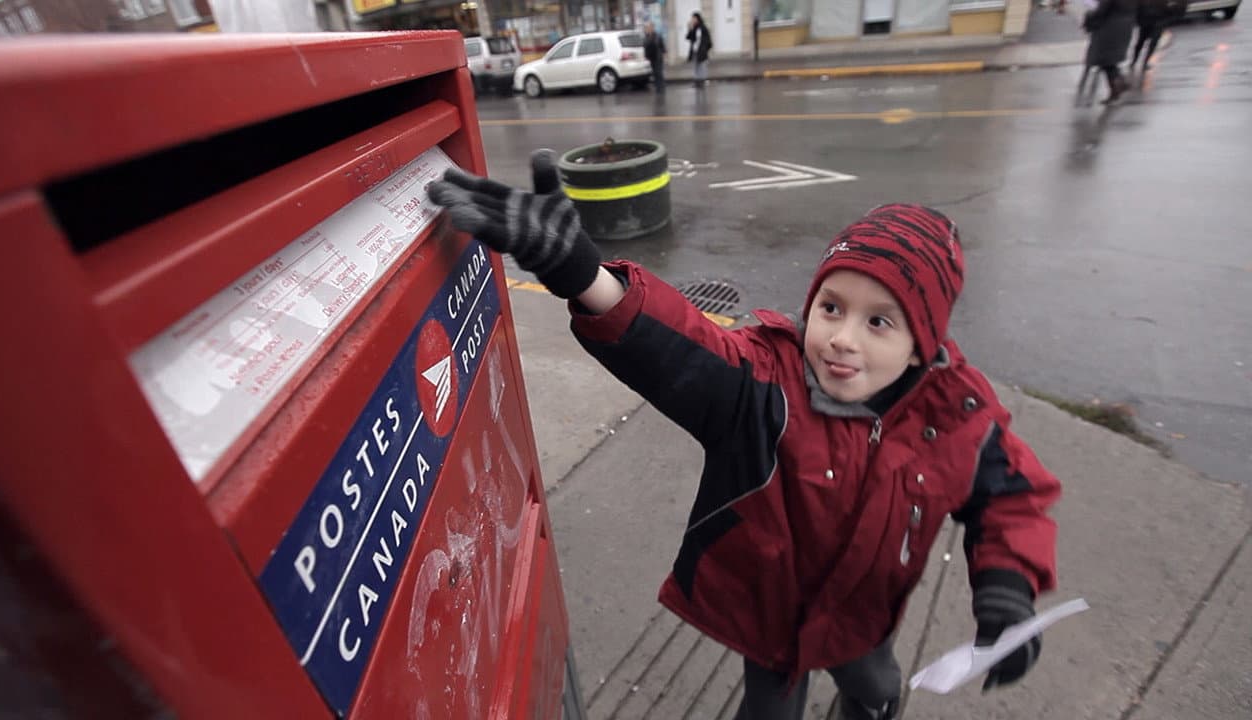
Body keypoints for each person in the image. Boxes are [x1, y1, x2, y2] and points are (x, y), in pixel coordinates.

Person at [427, 152, 1061, 720]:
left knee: (875, 691)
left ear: (922, 347)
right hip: (772, 622)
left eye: (879, 322)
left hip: (863, 619)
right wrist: (584, 276)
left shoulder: (959, 418)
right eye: (831, 307)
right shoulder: (765, 387)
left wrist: (1006, 585)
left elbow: (1010, 500)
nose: (842, 337)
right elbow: (682, 348)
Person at [1083, 0, 1139, 103]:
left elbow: (1100, 11)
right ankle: (1117, 87)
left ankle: (1119, 85)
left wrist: (1089, 18)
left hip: (1108, 29)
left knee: (1104, 60)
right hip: (1124, 27)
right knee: (1108, 61)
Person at [1132, 0, 1185, 70]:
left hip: (1156, 20)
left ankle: (1142, 62)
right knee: (1143, 42)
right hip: (1149, 19)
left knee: (1148, 43)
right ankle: (1136, 62)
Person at [685, 11, 711, 88]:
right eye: (692, 18)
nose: (692, 20)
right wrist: (690, 28)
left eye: (694, 18)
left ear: (698, 19)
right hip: (694, 50)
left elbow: (708, 40)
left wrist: (705, 49)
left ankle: (702, 81)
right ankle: (697, 81)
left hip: (701, 51)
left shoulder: (703, 28)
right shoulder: (694, 28)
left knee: (702, 66)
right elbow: (688, 37)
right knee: (695, 66)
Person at [644, 21, 667, 93]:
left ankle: (661, 87)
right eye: (647, 28)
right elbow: (645, 46)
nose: (648, 29)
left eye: (649, 27)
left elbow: (662, 47)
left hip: (658, 57)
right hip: (651, 58)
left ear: (652, 28)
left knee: (659, 72)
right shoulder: (646, 37)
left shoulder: (658, 36)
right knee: (654, 73)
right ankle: (657, 86)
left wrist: (664, 55)